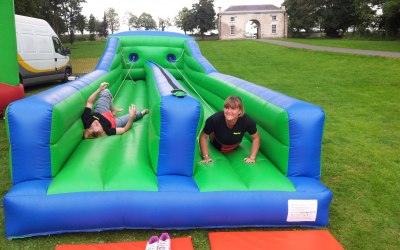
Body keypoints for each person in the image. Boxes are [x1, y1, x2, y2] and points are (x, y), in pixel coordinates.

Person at [199, 95, 260, 164]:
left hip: (234, 146)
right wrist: (206, 157)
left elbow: (256, 138)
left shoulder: (247, 121)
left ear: (240, 111)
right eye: (226, 108)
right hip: (216, 143)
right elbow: (203, 137)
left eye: (233, 109)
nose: (229, 111)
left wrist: (252, 157)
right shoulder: (214, 119)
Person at [82, 82, 148, 139]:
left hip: (100, 112)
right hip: (112, 122)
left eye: (94, 124)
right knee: (135, 114)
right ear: (102, 131)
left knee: (106, 91)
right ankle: (142, 113)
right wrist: (131, 117)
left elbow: (89, 103)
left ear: (89, 128)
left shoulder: (86, 120)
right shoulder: (107, 131)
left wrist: (99, 89)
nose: (97, 122)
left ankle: (113, 110)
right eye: (98, 125)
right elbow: (124, 129)